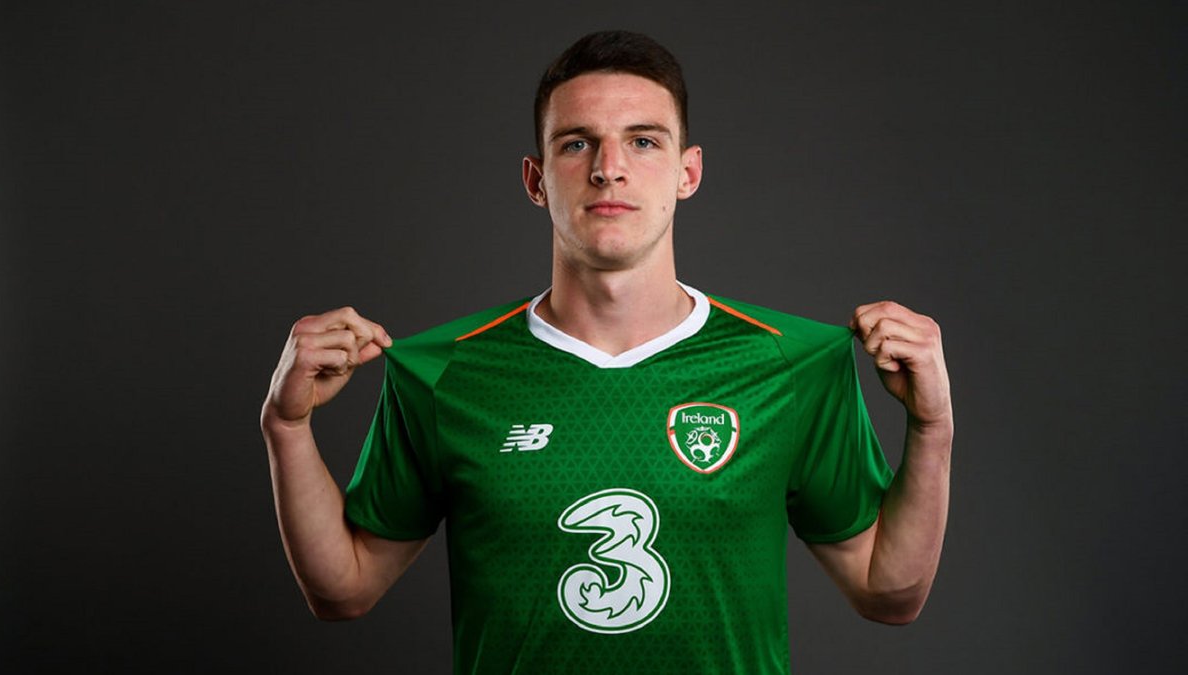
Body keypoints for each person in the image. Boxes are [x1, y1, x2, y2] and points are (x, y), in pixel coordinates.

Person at [261, 30, 952, 674]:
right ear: (536, 179)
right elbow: (343, 589)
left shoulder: (789, 364)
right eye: (576, 144)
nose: (608, 169)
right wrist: (286, 427)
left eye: (643, 141)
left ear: (687, 172)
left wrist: (932, 427)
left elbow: (888, 593)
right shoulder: (443, 372)